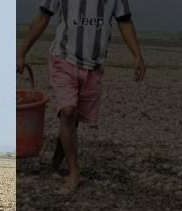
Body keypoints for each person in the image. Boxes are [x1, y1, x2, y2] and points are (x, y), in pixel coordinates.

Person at [17, 0, 145, 193]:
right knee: (68, 112)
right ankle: (74, 172)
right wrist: (21, 53)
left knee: (73, 117)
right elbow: (43, 16)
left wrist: (137, 55)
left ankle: (56, 162)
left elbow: (124, 21)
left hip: (94, 66)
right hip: (63, 58)